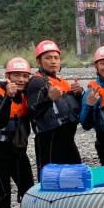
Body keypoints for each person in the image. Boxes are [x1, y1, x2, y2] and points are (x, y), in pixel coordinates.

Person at [0, 57, 35, 208]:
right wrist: (9, 98)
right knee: (3, 192)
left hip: (18, 151)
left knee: (28, 188)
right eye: (16, 75)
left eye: (25, 76)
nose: (21, 79)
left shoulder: (25, 95)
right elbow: (0, 121)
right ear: (8, 76)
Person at [26, 39, 83, 178]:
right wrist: (49, 99)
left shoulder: (63, 82)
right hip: (48, 141)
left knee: (76, 175)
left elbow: (75, 110)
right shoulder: (36, 82)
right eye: (48, 58)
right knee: (50, 179)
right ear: (39, 61)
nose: (53, 61)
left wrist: (79, 94)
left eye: (56, 58)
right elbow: (32, 112)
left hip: (68, 139)